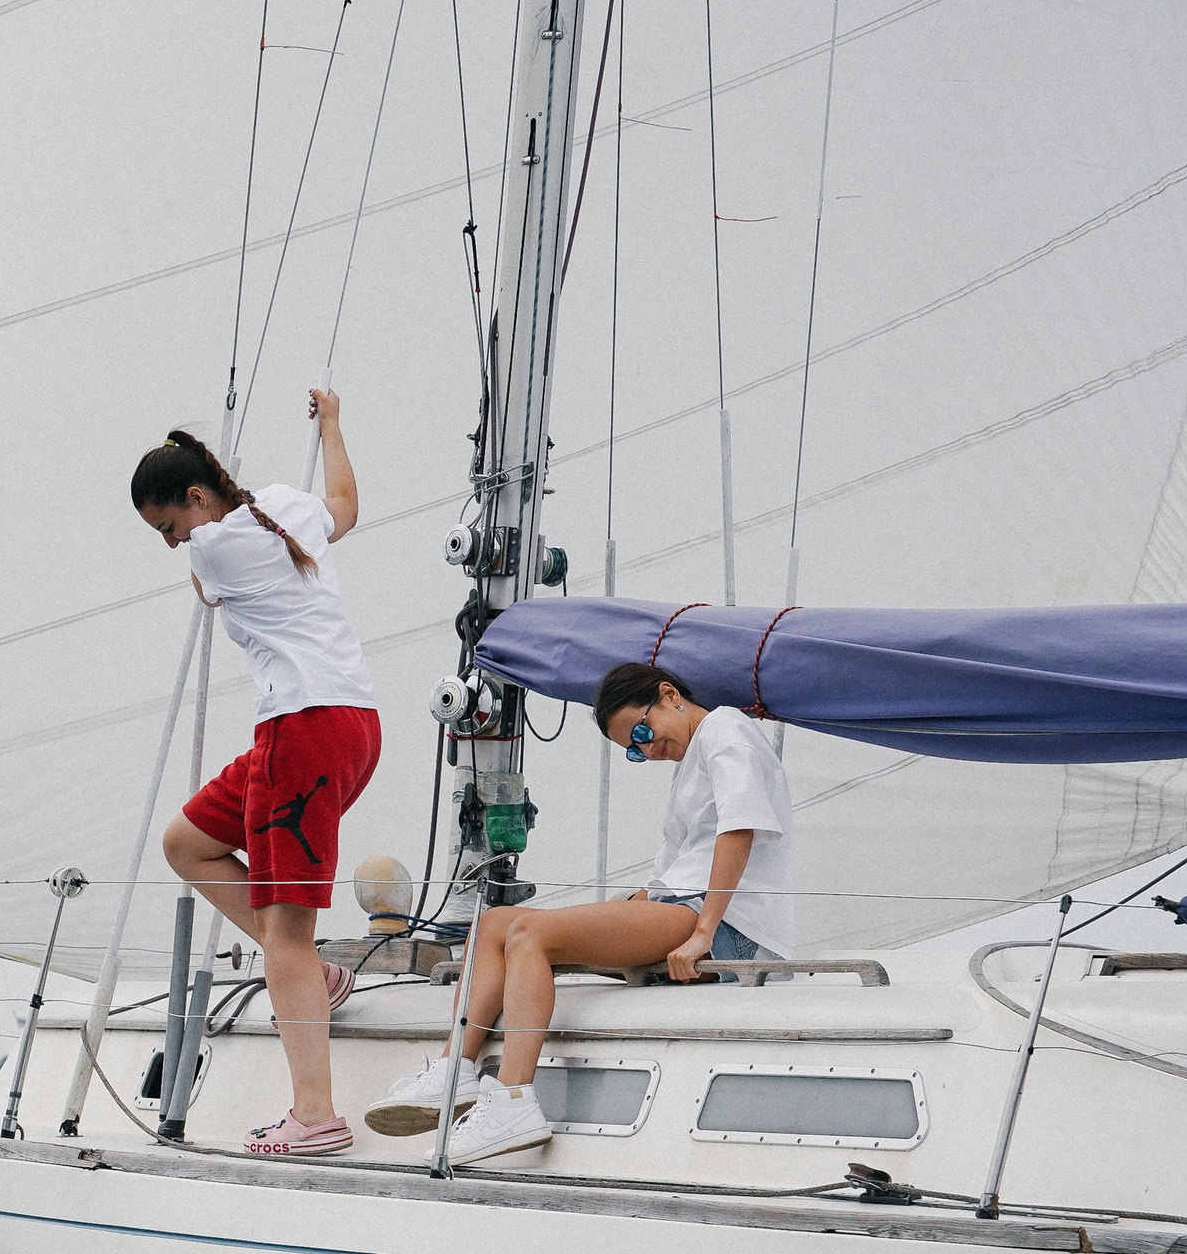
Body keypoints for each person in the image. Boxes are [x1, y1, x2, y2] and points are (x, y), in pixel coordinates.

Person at [364, 662, 792, 1162]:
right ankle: (453, 1069)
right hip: (683, 906)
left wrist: (703, 933)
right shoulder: (693, 761)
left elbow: (737, 831)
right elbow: (667, 875)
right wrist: (618, 916)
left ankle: (513, 1100)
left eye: (643, 732)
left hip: (723, 923)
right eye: (635, 749)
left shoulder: (726, 731)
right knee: (495, 924)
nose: (648, 750)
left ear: (670, 694)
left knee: (529, 934)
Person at [136, 391, 380, 1156]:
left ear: (198, 500)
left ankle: (314, 1114)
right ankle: (316, 976)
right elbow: (345, 503)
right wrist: (333, 424)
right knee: (187, 842)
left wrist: (201, 542)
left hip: (298, 730)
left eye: (170, 527)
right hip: (352, 723)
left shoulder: (212, 550)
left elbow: (206, 584)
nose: (175, 545)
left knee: (286, 928)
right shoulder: (285, 507)